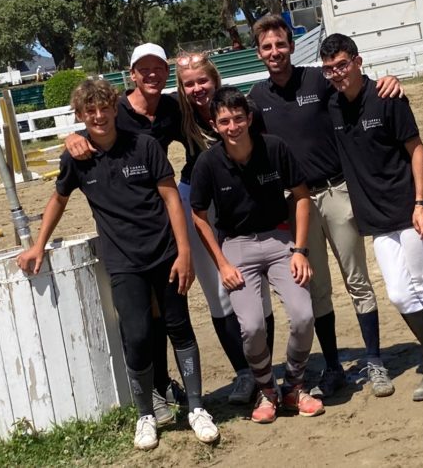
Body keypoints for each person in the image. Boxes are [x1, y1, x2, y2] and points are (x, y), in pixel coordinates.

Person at [65, 44, 270, 416]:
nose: (152, 75)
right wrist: (72, 136)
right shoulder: (119, 110)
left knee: (240, 285)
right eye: (144, 69)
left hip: (220, 199)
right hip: (152, 220)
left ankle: (259, 374)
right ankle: (162, 385)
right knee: (162, 309)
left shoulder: (178, 107)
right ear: (132, 74)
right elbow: (93, 125)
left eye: (158, 68)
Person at [17, 79, 220, 449]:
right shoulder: (76, 158)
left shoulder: (144, 146)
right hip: (123, 262)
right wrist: (38, 246)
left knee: (179, 327)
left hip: (165, 254)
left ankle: (196, 407)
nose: (99, 116)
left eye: (104, 108)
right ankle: (145, 414)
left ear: (114, 108)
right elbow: (59, 199)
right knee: (137, 335)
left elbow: (171, 199)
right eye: (90, 111)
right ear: (80, 116)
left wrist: (184, 253)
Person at [248, 14, 401, 399]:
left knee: (357, 280)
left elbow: (356, 87)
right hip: (298, 203)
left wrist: (387, 81)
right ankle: (333, 367)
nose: (275, 52)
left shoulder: (317, 79)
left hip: (337, 192)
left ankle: (374, 361)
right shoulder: (257, 99)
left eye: (280, 44)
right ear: (259, 52)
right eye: (267, 47)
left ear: (291, 45)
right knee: (316, 288)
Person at [320, 33, 423, 407]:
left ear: (358, 62)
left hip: (409, 207)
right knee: (400, 293)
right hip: (376, 217)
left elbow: (416, 149)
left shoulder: (387, 97)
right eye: (329, 69)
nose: (337, 74)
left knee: (422, 284)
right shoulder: (332, 105)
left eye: (342, 65)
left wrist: (420, 202)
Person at [190, 87, 325, 424]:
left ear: (249, 118)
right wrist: (222, 264)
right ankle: (267, 390)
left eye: (238, 118)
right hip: (237, 246)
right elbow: (199, 216)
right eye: (225, 121)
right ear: (214, 125)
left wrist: (300, 250)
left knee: (303, 315)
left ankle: (293, 386)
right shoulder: (208, 163)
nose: (233, 126)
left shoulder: (274, 147)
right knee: (251, 327)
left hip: (280, 240)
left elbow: (301, 196)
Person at [174, 52, 274, 404]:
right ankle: (244, 373)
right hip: (199, 200)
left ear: (215, 79)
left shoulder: (241, 108)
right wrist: (79, 136)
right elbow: (129, 115)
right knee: (218, 291)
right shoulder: (178, 113)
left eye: (203, 80)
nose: (197, 88)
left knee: (253, 283)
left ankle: (265, 370)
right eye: (189, 84)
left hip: (241, 195)